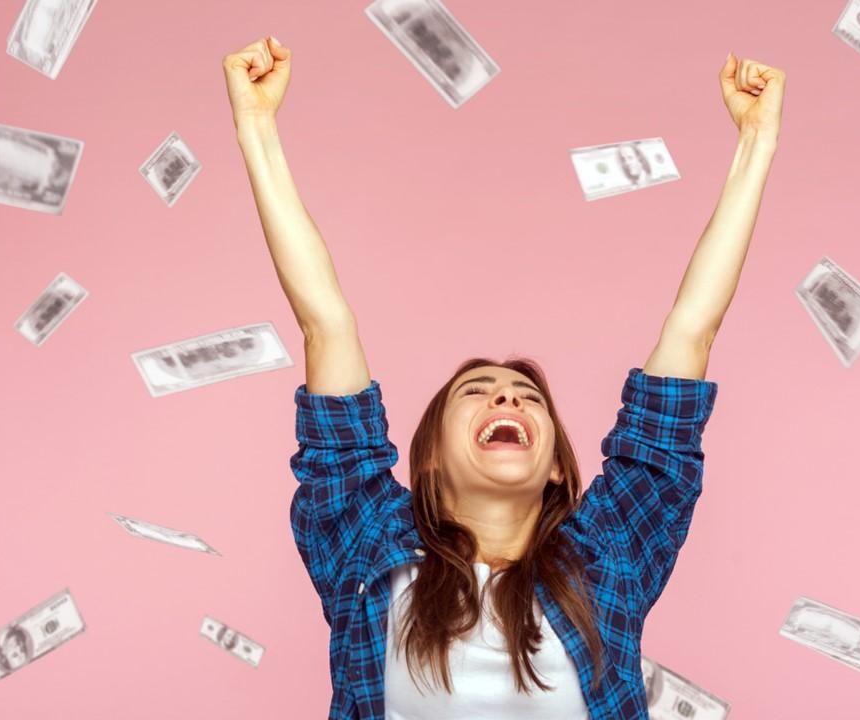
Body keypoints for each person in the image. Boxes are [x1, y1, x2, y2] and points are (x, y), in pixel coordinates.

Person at [223, 37, 784, 719]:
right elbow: (325, 321)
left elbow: (693, 329)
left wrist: (757, 139)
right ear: (427, 457)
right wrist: (256, 124)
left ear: (553, 465)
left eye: (527, 397)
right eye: (477, 391)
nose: (507, 397)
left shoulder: (609, 555)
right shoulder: (363, 536)